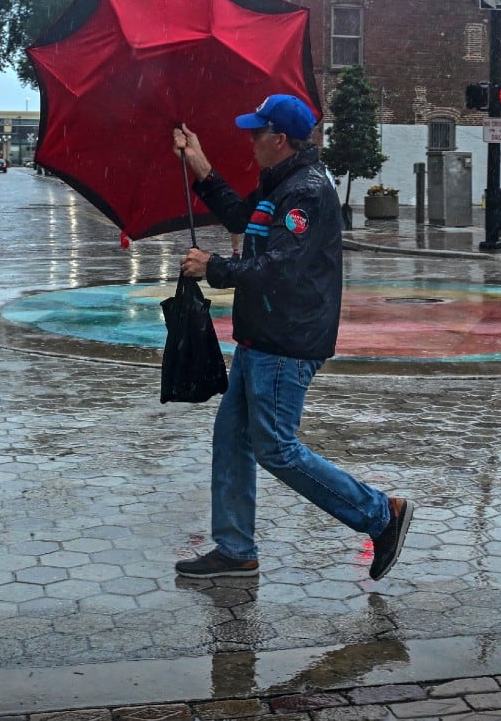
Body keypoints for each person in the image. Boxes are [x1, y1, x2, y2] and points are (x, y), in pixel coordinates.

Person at [172, 94, 413, 582]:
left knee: (277, 448)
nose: (251, 140)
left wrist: (212, 267)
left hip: (285, 343)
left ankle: (380, 514)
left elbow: (277, 268)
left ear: (278, 139)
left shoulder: (305, 192)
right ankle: (236, 549)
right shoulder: (281, 183)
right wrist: (200, 167)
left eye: (256, 133)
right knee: (233, 440)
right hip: (261, 337)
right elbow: (245, 220)